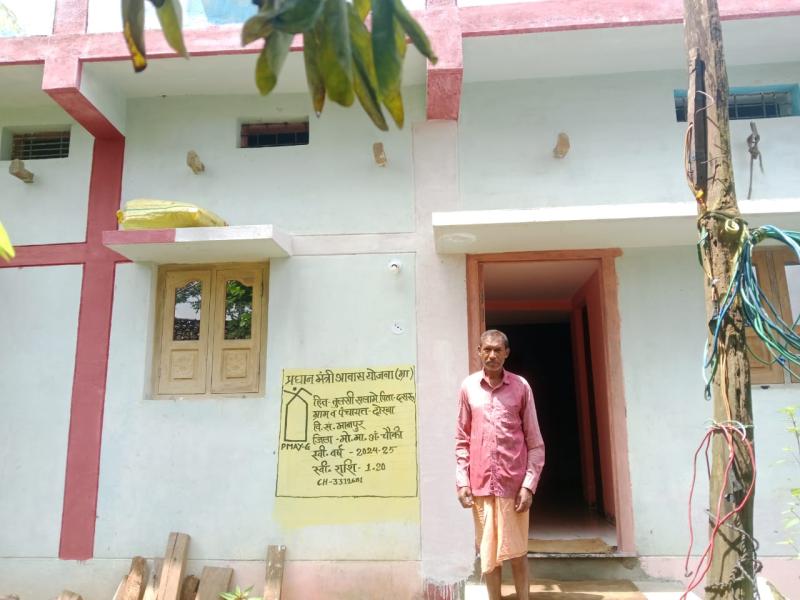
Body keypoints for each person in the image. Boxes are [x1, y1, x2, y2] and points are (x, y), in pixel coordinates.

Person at [455, 329, 545, 600]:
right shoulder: (468, 387)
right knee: (489, 554)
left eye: (497, 350)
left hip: (513, 486)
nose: (492, 355)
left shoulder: (521, 387)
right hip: (481, 485)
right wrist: (462, 481)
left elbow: (535, 442)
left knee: (517, 552)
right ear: (479, 352)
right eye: (487, 349)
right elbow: (461, 439)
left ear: (507, 353)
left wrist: (528, 486)